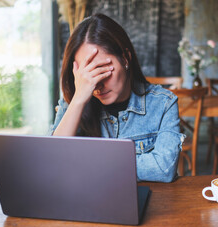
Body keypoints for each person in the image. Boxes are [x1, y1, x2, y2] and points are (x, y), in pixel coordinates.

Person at [50, 13, 184, 182]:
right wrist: (78, 101)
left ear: (125, 58)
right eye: (87, 74)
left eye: (102, 71)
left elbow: (163, 169)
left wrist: (89, 164)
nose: (96, 85)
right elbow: (54, 162)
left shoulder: (163, 103)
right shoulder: (72, 102)